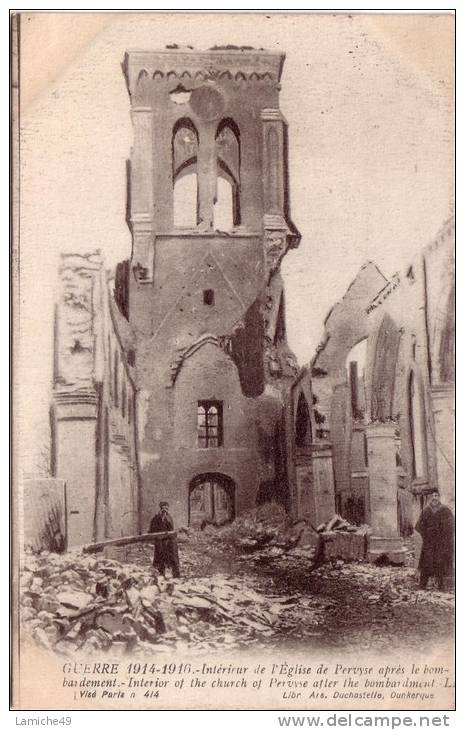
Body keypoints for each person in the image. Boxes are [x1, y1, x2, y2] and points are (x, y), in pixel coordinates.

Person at [415, 490, 454, 590]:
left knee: (440, 563)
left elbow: (452, 526)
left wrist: (444, 536)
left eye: (437, 496)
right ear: (430, 498)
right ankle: (422, 585)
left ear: (439, 497)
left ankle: (441, 586)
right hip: (429, 543)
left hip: (441, 543)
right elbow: (418, 526)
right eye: (433, 496)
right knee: (426, 563)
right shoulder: (426, 511)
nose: (435, 498)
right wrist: (426, 535)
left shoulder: (445, 510)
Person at [149, 501, 180, 578]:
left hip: (170, 542)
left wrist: (166, 519)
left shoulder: (169, 518)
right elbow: (152, 530)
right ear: (160, 508)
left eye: (166, 508)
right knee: (160, 558)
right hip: (160, 542)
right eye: (163, 508)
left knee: (173, 559)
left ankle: (176, 575)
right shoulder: (156, 518)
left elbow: (171, 529)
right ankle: (161, 574)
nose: (165, 510)